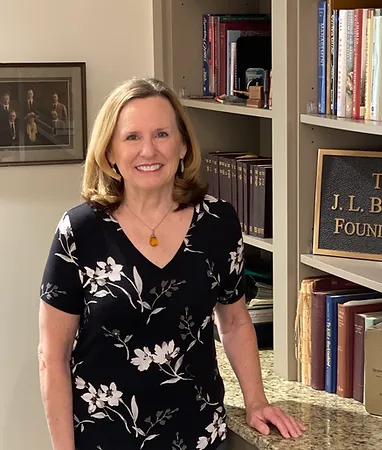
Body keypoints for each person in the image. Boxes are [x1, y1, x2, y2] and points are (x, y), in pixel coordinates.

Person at [38, 77, 306, 450]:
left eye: (162, 134)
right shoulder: (79, 231)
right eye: (131, 137)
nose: (149, 150)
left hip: (198, 433)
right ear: (110, 152)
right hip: (103, 437)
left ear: (182, 145)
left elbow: (234, 321)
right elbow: (53, 355)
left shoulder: (218, 222)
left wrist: (256, 400)